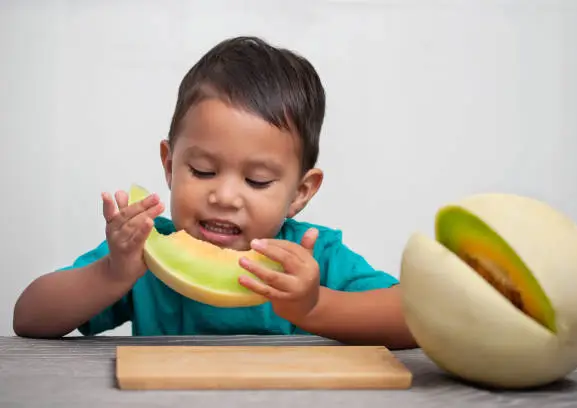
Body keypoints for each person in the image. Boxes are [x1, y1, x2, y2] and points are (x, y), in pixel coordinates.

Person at [12, 36, 416, 350]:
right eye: (203, 170)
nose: (224, 195)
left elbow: (415, 318)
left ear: (300, 192)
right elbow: (28, 318)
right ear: (169, 165)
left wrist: (314, 306)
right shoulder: (146, 256)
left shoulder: (314, 260)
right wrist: (111, 273)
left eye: (257, 181)